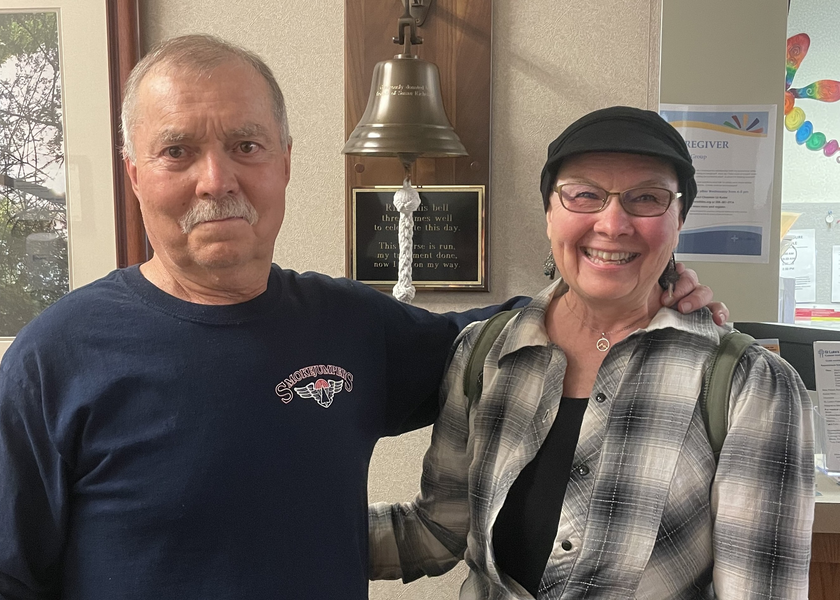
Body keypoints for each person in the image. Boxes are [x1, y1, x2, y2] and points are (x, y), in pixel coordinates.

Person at [0, 35, 722, 600]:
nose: (216, 179)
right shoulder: (56, 358)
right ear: (134, 174)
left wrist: (639, 289)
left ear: (284, 162)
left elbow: (506, 339)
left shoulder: (350, 328)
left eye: (245, 146)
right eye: (178, 151)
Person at [369, 106, 815, 599]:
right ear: (549, 214)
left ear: (679, 219)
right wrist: (284, 534)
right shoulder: (484, 353)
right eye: (584, 195)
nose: (613, 222)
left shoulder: (748, 385)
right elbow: (437, 531)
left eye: (647, 198)